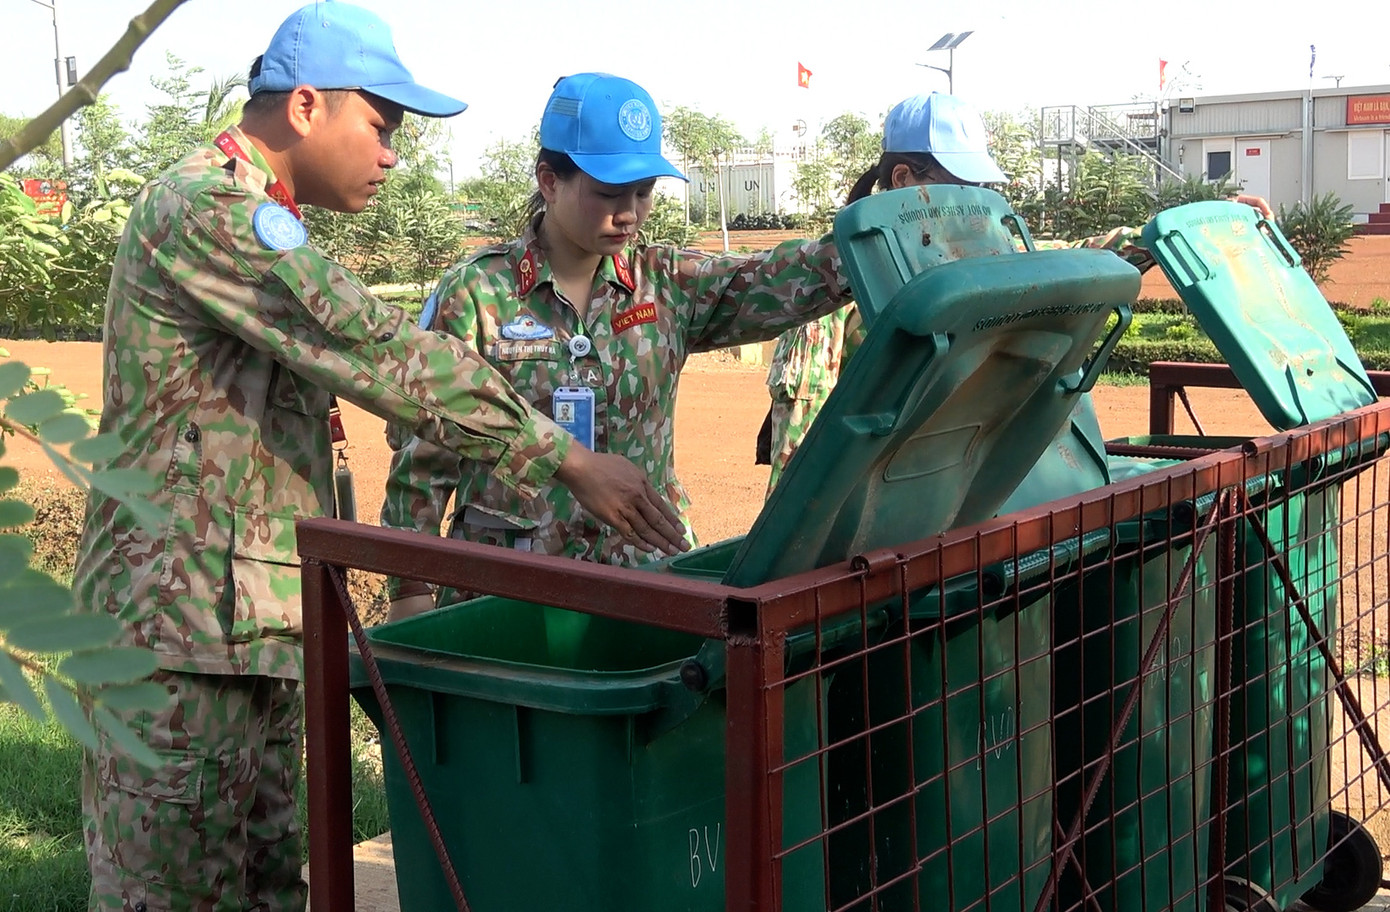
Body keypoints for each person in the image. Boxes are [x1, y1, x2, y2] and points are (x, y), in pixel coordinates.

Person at [73, 7, 686, 910]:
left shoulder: (259, 212)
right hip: (173, 640)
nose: (392, 153)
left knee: (270, 885)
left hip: (244, 629)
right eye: (382, 125)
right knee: (170, 894)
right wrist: (560, 456)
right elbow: (364, 342)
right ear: (308, 106)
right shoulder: (208, 206)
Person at [380, 72, 854, 618]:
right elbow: (426, 451)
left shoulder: (669, 284)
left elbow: (780, 278)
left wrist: (872, 241)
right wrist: (409, 592)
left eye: (643, 192)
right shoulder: (477, 294)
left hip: (644, 577)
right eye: (608, 192)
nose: (628, 211)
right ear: (550, 180)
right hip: (508, 590)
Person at [759, 92, 1275, 495]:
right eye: (964, 184)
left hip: (949, 505)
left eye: (983, 187)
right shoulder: (830, 288)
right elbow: (797, 463)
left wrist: (1177, 234)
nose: (980, 200)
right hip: (864, 541)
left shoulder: (975, 260)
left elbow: (1070, 260)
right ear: (902, 179)